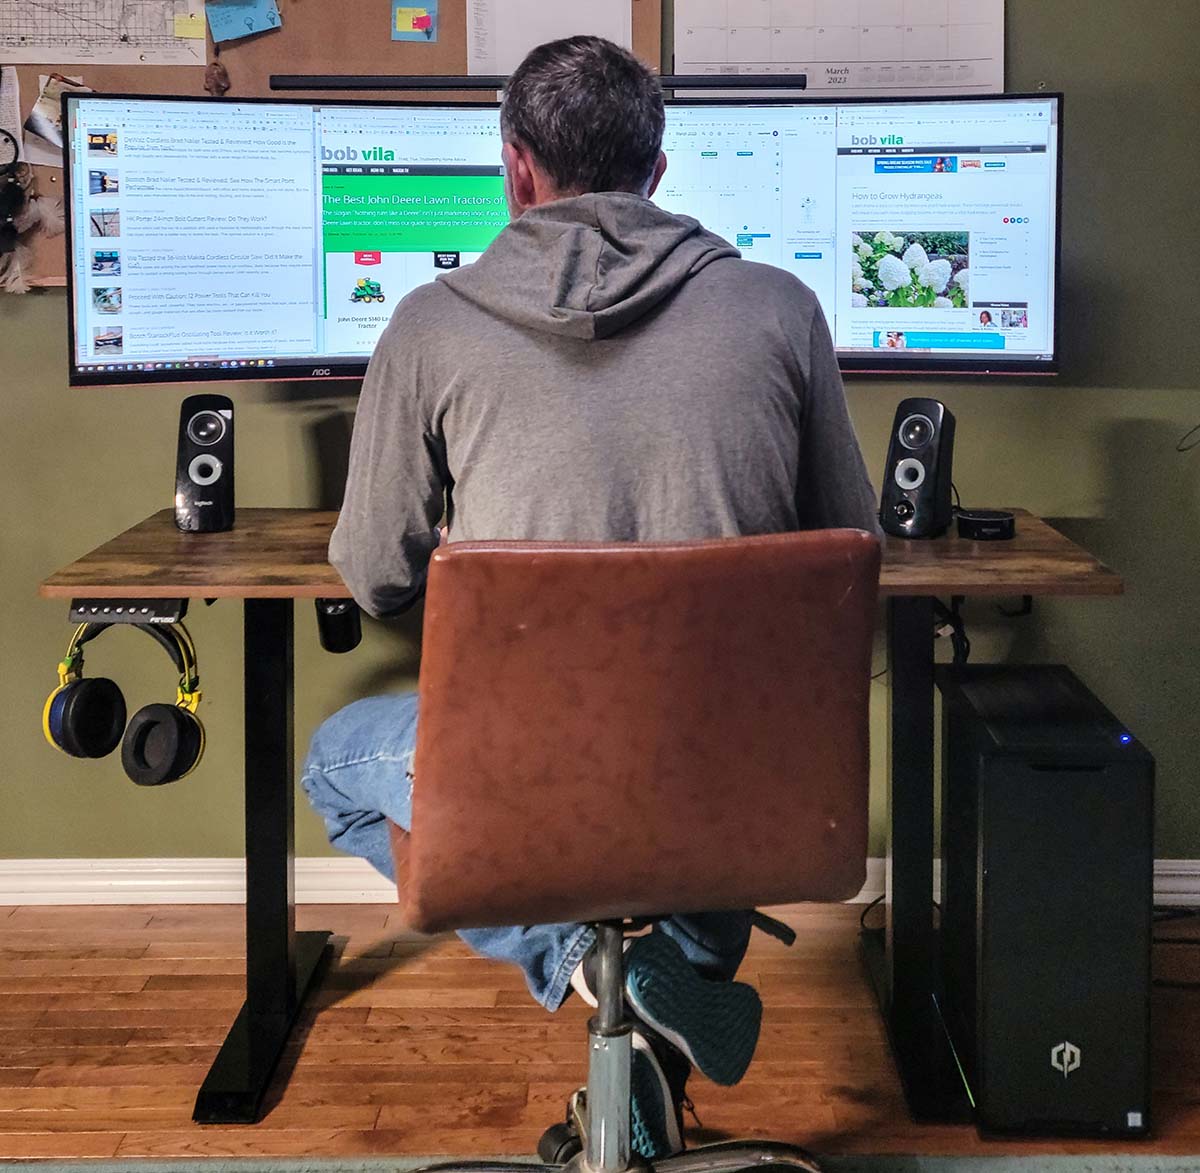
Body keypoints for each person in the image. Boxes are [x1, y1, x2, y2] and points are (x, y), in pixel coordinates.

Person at [302, 34, 880, 1159]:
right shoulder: (780, 308)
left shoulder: (430, 324)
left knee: (334, 764)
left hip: (533, 785)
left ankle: (578, 965)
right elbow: (854, 557)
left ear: (514, 168)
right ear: (659, 174)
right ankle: (659, 1022)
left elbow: (374, 574)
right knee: (690, 781)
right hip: (742, 780)